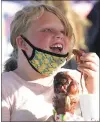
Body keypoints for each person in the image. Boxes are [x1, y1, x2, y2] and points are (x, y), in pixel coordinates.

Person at [2, 4, 99, 121]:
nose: (59, 35)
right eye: (47, 30)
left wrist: (92, 89)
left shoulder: (74, 80)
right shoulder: (5, 86)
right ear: (22, 43)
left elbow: (91, 119)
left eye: (64, 32)